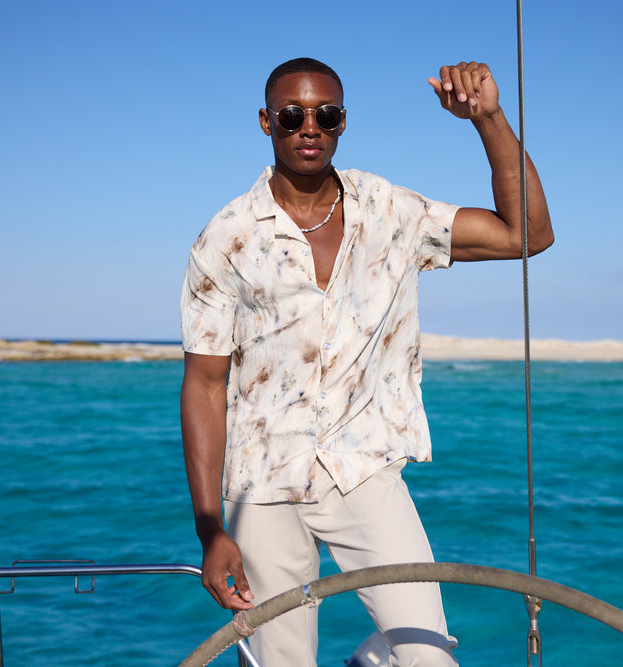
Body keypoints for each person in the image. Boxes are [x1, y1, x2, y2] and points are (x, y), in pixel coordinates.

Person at [180, 57, 552, 666]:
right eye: (291, 116)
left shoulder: (390, 211)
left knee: (428, 656)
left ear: (343, 122)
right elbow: (204, 385)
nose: (309, 128)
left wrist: (487, 119)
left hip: (365, 472)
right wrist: (210, 528)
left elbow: (528, 235)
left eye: (325, 115)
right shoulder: (225, 238)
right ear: (266, 122)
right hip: (262, 485)